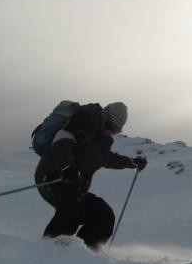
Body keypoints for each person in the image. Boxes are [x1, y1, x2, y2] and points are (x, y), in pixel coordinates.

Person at [34, 101, 147, 250]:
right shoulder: (84, 120)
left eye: (114, 131)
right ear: (103, 117)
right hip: (51, 178)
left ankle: (87, 252)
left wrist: (131, 163)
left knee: (103, 214)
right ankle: (49, 251)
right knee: (72, 209)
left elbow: (107, 159)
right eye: (108, 126)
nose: (109, 132)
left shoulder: (103, 141)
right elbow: (62, 141)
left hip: (72, 186)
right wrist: (67, 168)